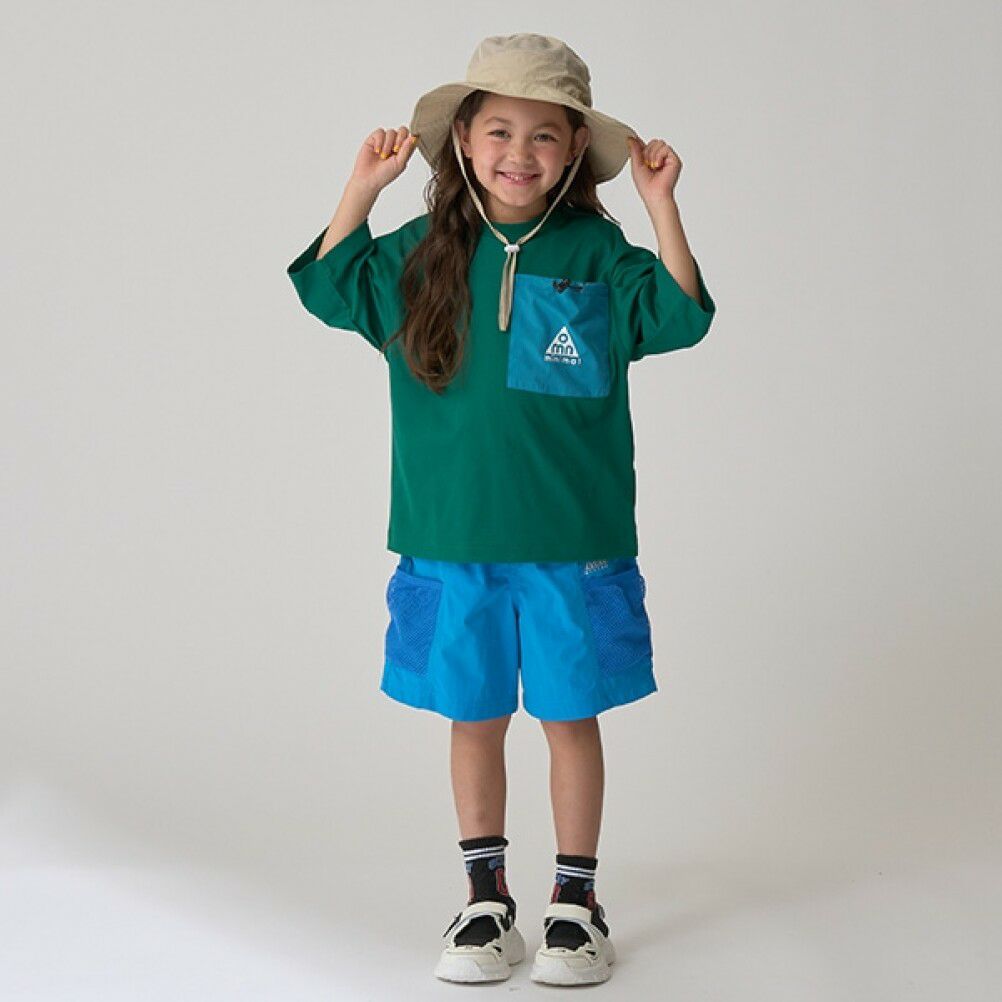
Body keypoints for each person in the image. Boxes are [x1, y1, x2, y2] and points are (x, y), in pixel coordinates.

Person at [286, 33, 716, 987]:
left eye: (545, 134)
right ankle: (486, 901)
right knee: (473, 717)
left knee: (570, 717)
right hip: (452, 539)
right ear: (463, 142)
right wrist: (362, 189)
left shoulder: (596, 251)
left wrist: (661, 207)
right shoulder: (421, 252)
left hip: (573, 542)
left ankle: (576, 904)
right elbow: (329, 285)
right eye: (499, 131)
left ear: (574, 150)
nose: (520, 152)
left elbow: (680, 314)